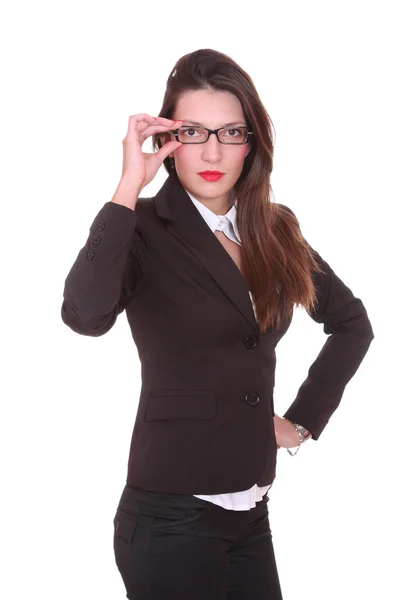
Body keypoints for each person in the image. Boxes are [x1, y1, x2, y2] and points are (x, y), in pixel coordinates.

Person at [61, 48, 374, 599]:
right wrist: (129, 185)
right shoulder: (142, 228)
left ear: (251, 142)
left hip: (251, 513)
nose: (211, 151)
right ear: (167, 140)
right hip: (170, 519)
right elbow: (85, 316)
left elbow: (351, 323)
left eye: (230, 132)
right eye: (192, 132)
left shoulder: (274, 228)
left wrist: (303, 421)